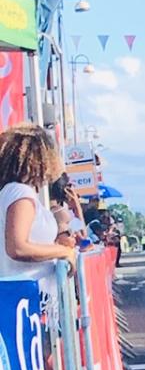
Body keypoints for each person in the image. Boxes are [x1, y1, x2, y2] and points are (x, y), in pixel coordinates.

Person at [0, 124, 78, 295]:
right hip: (28, 300)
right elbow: (18, 248)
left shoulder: (11, 192)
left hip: (25, 297)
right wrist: (63, 251)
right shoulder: (20, 193)